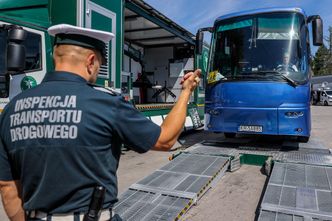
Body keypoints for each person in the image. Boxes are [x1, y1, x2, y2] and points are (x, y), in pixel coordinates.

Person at [0, 24, 201, 221]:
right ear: (91, 61)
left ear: (56, 56)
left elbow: (7, 187)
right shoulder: (106, 103)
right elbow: (165, 140)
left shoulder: (11, 109)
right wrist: (186, 92)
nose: (97, 71)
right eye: (99, 64)